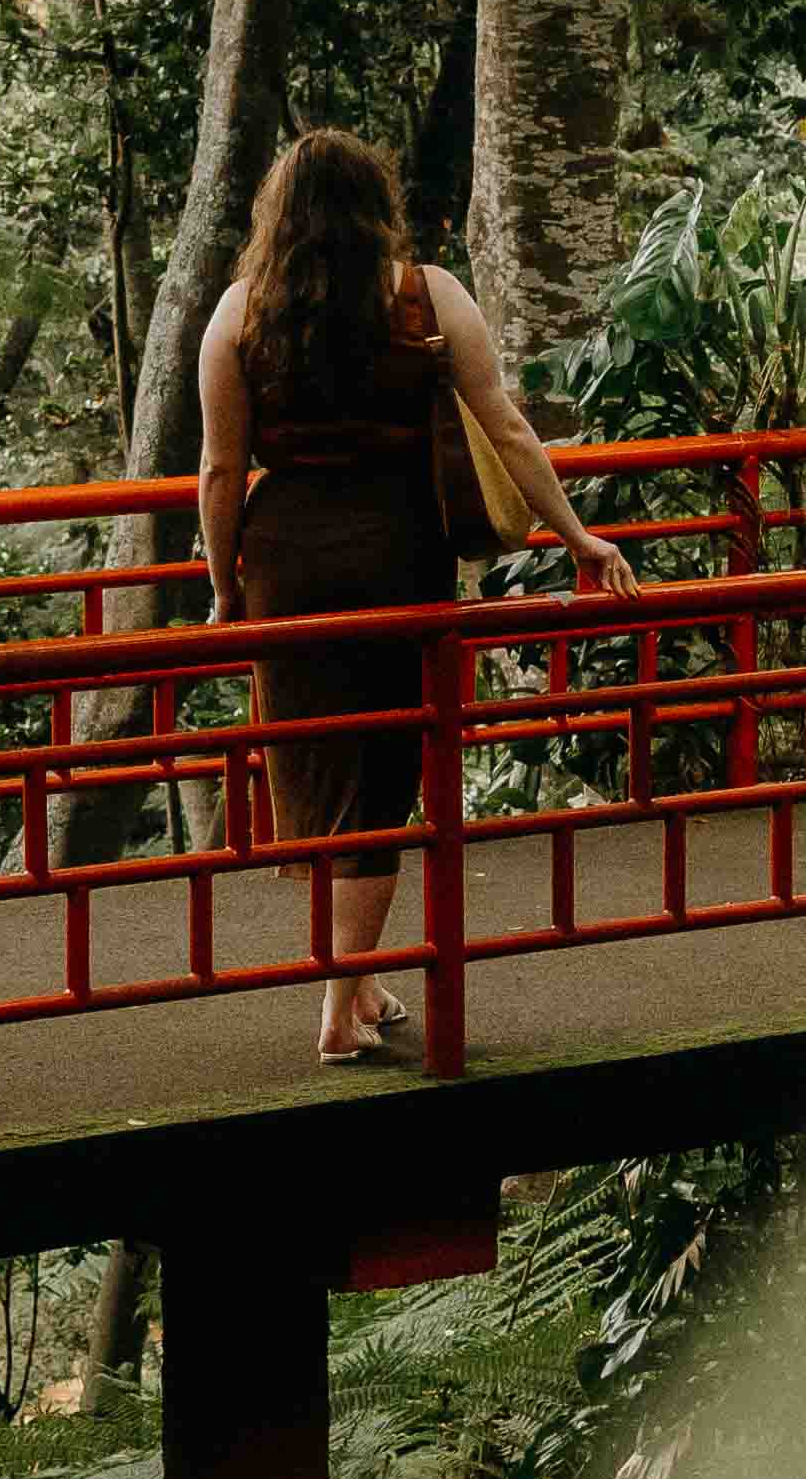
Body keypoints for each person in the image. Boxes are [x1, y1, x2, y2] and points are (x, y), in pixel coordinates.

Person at [197, 129, 630, 1068]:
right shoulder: (428, 298)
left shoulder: (240, 314)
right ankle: (338, 1004)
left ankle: (355, 983)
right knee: (382, 786)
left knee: (315, 776)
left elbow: (222, 467)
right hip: (400, 555)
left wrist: (224, 587)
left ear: (279, 215)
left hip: (287, 566)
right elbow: (506, 428)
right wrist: (578, 535)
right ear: (375, 206)